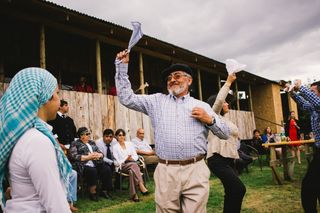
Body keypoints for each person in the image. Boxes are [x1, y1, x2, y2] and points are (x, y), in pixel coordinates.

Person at [115, 50, 230, 212]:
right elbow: (126, 98)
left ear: (189, 80)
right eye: (169, 78)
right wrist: (122, 67)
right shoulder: (155, 101)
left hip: (195, 169)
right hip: (166, 171)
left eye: (177, 76)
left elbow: (224, 133)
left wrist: (210, 120)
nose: (172, 80)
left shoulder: (202, 106)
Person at [0, 68, 72, 212]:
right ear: (45, 97)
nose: (59, 99)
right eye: (57, 93)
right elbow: (55, 204)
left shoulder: (21, 136)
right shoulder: (37, 141)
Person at [206, 72, 246, 213]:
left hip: (229, 160)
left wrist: (227, 112)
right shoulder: (212, 118)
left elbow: (233, 131)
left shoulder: (225, 119)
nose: (227, 103)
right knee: (239, 189)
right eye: (225, 101)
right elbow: (218, 102)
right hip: (217, 159)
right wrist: (228, 82)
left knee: (232, 192)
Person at [286, 80, 320, 212]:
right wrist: (293, 93)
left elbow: (317, 102)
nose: (310, 94)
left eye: (313, 92)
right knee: (315, 185)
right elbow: (304, 105)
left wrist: (301, 87)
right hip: (318, 150)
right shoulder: (314, 108)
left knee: (308, 186)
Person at [69, 127, 113, 201]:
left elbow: (99, 152)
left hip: (96, 162)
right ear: (81, 135)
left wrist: (99, 155)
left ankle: (104, 190)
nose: (89, 135)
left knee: (106, 169)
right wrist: (88, 157)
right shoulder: (75, 143)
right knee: (92, 171)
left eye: (89, 134)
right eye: (87, 134)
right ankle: (92, 192)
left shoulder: (91, 142)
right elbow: (73, 156)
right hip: (83, 164)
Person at [112, 129, 149, 202]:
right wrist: (125, 159)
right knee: (134, 165)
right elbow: (116, 161)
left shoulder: (129, 144)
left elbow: (136, 156)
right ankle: (141, 185)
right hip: (122, 166)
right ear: (116, 137)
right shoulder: (115, 147)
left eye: (123, 135)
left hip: (131, 163)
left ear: (125, 136)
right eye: (119, 135)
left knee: (131, 171)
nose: (121, 137)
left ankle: (134, 195)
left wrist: (131, 158)